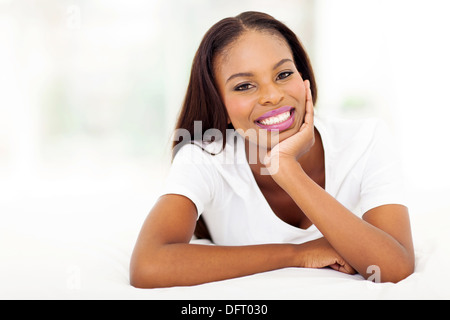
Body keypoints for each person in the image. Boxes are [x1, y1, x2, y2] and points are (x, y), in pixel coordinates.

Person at [129, 11, 415, 288]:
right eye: (244, 86)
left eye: (283, 74)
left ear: (303, 77)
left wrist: (288, 170)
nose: (272, 96)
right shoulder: (204, 157)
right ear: (221, 105)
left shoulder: (366, 140)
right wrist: (298, 254)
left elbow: (394, 267)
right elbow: (148, 265)